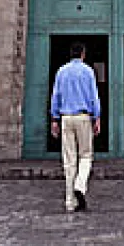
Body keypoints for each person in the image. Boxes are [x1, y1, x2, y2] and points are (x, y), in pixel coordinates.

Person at [48, 42, 101, 211]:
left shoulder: (61, 72)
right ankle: (80, 185)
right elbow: (94, 96)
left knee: (69, 160)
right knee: (85, 155)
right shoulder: (88, 71)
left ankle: (70, 202)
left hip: (66, 118)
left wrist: (54, 119)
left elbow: (55, 95)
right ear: (83, 54)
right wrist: (97, 117)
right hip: (83, 117)